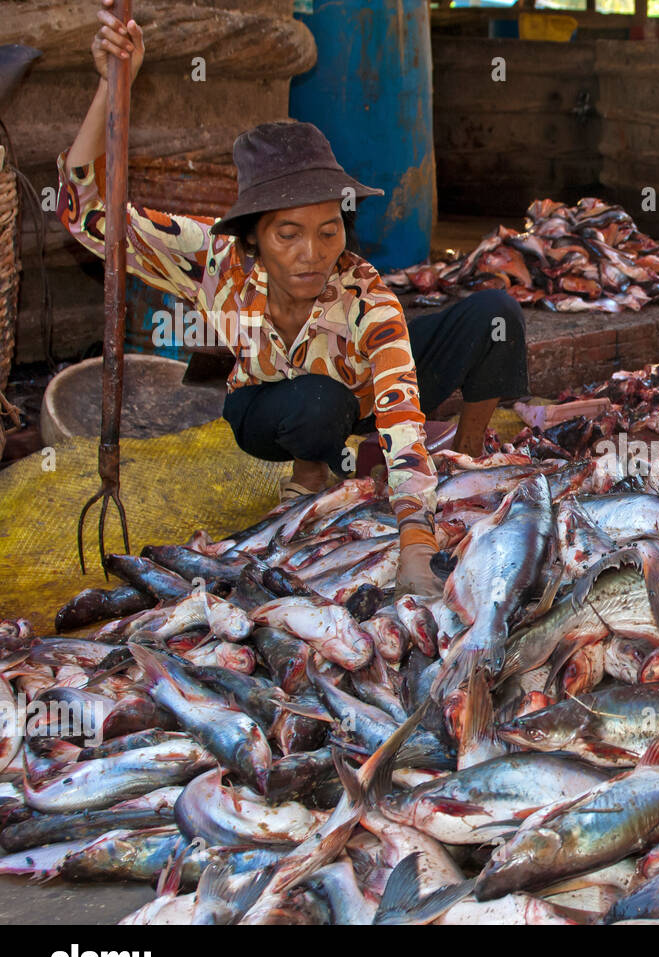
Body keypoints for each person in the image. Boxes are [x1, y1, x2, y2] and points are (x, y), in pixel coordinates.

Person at [58, 2, 529, 597]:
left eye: (328, 230)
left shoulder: (366, 293)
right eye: (289, 234)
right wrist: (111, 84)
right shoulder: (213, 258)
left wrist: (417, 540)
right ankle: (310, 474)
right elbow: (86, 217)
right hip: (272, 410)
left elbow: (403, 412)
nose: (313, 252)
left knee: (494, 313)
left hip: (365, 396)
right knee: (315, 402)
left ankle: (467, 455)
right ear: (253, 234)